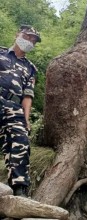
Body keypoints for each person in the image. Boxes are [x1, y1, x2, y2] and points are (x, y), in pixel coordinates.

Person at [0, 25, 41, 197]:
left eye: (33, 40)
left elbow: (27, 96)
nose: (30, 41)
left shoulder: (31, 68)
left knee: (21, 141)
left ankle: (19, 189)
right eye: (28, 36)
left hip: (14, 107)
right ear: (18, 34)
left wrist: (26, 119)